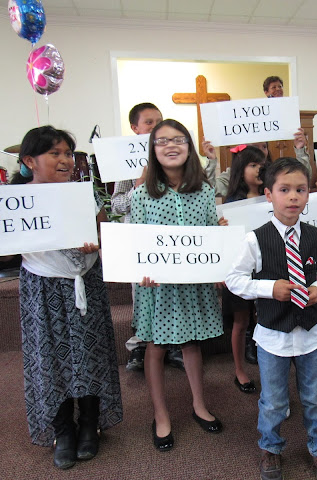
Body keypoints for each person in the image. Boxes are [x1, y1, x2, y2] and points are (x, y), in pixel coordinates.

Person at [0, 126, 123, 469]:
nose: (65, 160)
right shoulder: (14, 201)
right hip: (43, 286)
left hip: (85, 282)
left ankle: (90, 423)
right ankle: (63, 429)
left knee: (90, 352)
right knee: (50, 357)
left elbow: (104, 232)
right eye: (54, 153)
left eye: (68, 153)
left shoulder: (83, 194)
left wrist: (96, 242)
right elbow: (5, 250)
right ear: (30, 161)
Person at [225, 158, 317, 480]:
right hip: (273, 335)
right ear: (268, 195)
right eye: (284, 190)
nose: (293, 197)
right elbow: (234, 279)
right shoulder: (255, 239)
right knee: (274, 400)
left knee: (315, 396)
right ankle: (270, 447)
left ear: (308, 195)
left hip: (311, 333)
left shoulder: (316, 236)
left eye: (300, 190)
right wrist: (267, 288)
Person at [131, 119, 225, 450]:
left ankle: (199, 404)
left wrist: (219, 259)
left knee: (192, 343)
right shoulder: (141, 195)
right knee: (156, 347)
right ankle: (161, 415)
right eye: (162, 141)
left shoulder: (205, 191)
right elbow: (136, 243)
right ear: (153, 150)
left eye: (179, 139)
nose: (171, 145)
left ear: (189, 147)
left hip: (192, 284)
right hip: (158, 287)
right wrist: (140, 269)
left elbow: (210, 235)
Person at [109, 103, 185, 372]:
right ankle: (141, 346)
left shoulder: (173, 156)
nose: (155, 127)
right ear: (135, 128)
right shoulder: (126, 162)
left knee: (174, 289)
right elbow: (116, 205)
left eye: (159, 121)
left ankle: (175, 344)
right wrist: (138, 188)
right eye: (149, 122)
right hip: (141, 239)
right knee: (143, 293)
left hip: (171, 237)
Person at [223, 145, 267, 393]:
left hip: (267, 268)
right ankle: (239, 370)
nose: (259, 169)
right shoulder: (232, 203)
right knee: (241, 321)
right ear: (241, 170)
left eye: (262, 164)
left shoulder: (272, 196)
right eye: (253, 165)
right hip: (242, 270)